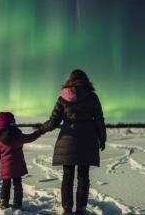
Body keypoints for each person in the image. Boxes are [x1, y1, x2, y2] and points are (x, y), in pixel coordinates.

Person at [39, 69, 106, 214]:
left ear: (69, 80)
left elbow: (53, 121)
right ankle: (81, 209)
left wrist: (41, 130)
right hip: (87, 141)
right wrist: (102, 138)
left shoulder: (62, 98)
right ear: (86, 80)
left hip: (67, 141)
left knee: (67, 175)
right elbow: (99, 119)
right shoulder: (92, 97)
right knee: (83, 175)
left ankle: (66, 209)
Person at [0, 111, 42, 210]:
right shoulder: (18, 136)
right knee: (17, 185)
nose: (15, 122)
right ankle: (17, 203)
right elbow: (30, 137)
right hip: (17, 167)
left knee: (6, 185)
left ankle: (4, 202)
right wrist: (39, 132)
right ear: (10, 123)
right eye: (13, 121)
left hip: (6, 168)